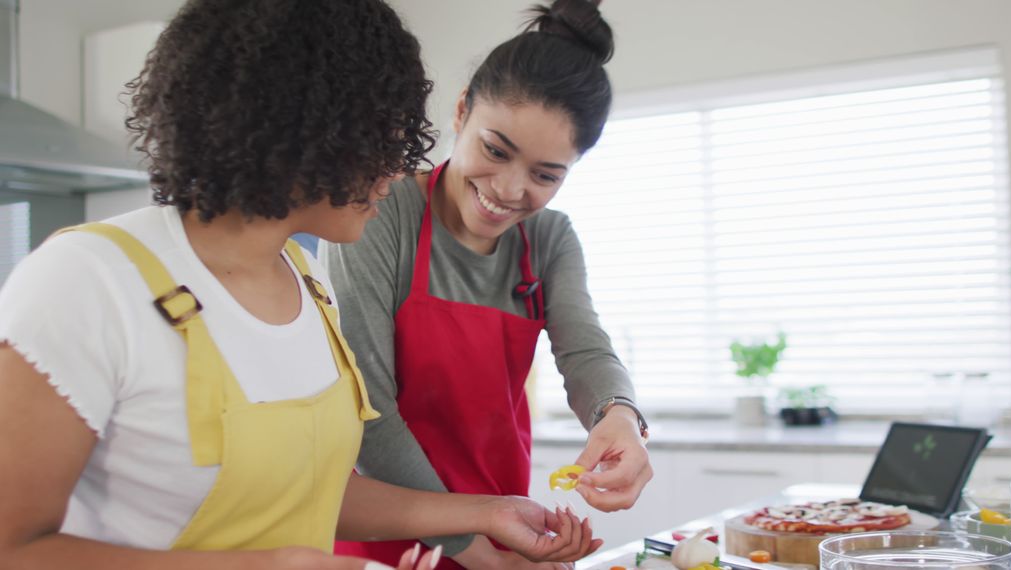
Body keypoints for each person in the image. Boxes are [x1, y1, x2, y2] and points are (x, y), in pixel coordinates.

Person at [0, 1, 599, 569]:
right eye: (385, 139)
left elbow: (310, 492)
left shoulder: (307, 281)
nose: (398, 168)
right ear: (311, 128)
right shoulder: (86, 280)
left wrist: (483, 515)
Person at [325, 1, 652, 567]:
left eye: (546, 175)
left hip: (506, 525)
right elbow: (367, 412)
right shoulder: (382, 211)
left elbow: (585, 348)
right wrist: (478, 552)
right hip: (384, 538)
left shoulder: (548, 239)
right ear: (461, 112)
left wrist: (620, 416)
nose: (508, 189)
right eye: (494, 150)